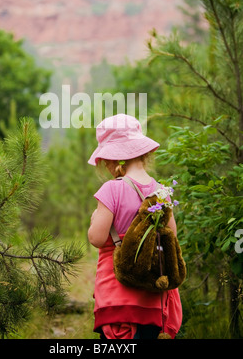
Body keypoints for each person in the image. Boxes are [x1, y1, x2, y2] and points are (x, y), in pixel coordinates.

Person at [87, 113, 182, 339]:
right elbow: (172, 236)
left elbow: (97, 238)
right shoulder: (162, 192)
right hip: (151, 295)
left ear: (115, 158)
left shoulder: (112, 189)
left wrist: (94, 220)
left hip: (116, 294)